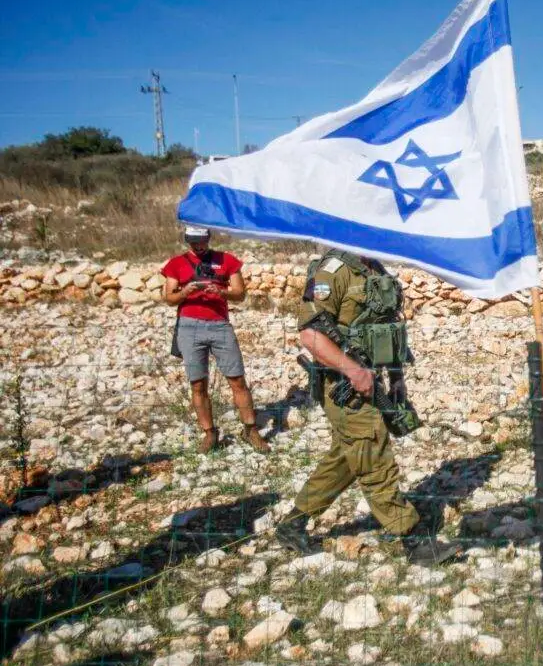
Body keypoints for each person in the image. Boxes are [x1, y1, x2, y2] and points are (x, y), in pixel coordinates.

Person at [273, 248, 460, 566]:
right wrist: (352, 370)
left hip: (374, 381)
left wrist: (397, 377)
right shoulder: (333, 271)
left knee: (348, 458)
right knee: (373, 452)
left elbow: (388, 330)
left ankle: (292, 524)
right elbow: (310, 335)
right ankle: (413, 538)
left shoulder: (375, 269)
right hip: (344, 385)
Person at [161, 225, 270, 454]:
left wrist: (222, 292)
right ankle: (210, 433)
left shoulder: (227, 260)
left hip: (220, 325)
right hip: (189, 327)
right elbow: (168, 297)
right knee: (197, 383)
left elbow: (240, 294)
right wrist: (185, 292)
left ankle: (250, 429)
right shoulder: (176, 264)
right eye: (193, 241)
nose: (197, 246)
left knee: (237, 379)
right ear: (187, 240)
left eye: (201, 241)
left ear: (209, 238)